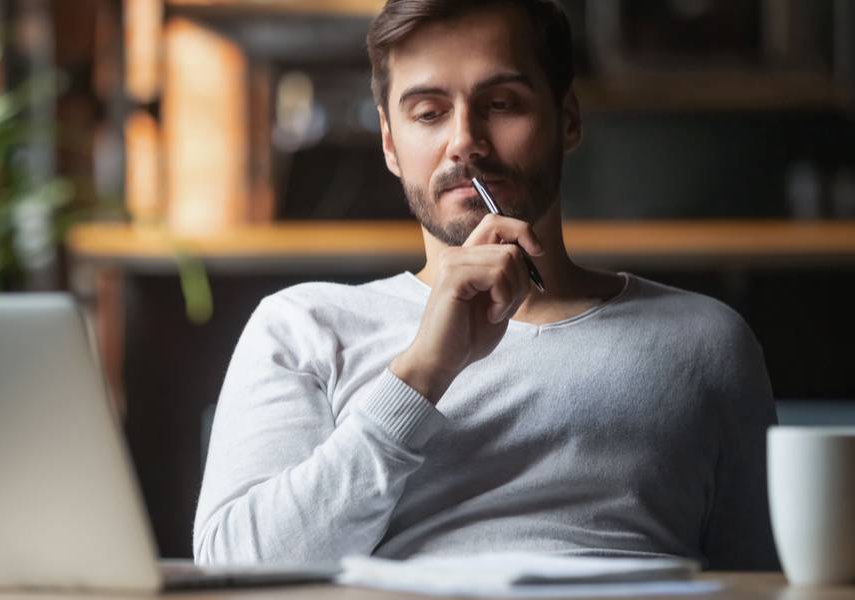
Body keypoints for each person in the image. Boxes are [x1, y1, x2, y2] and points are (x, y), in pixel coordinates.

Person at [193, 0, 778, 570]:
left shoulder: (706, 341)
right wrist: (421, 373)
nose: (464, 141)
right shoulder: (304, 326)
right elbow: (237, 569)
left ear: (567, 119)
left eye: (501, 103)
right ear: (390, 143)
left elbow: (771, 581)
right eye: (428, 113)